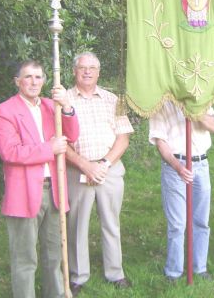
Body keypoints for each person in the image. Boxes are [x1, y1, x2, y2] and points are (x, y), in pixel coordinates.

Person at [0, 60, 79, 298]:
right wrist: (48, 148)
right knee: (25, 258)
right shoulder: (5, 111)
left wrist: (68, 106)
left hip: (55, 191)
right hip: (24, 194)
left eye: (38, 77)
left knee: (54, 254)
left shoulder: (51, 106)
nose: (33, 82)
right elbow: (9, 152)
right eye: (28, 77)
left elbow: (71, 135)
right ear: (17, 81)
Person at [64, 52, 134, 297]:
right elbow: (60, 142)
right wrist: (85, 165)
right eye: (82, 67)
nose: (87, 72)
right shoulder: (64, 101)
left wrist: (103, 164)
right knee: (77, 225)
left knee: (111, 223)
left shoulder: (112, 99)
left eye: (92, 67)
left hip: (109, 170)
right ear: (74, 71)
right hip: (77, 171)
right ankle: (78, 276)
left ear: (99, 71)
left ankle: (115, 273)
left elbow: (123, 138)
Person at [149, 101, 214, 281]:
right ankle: (173, 271)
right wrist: (177, 167)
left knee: (201, 220)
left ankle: (199, 267)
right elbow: (161, 142)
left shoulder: (201, 102)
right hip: (175, 166)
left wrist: (195, 113)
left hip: (201, 165)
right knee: (177, 223)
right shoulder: (162, 105)